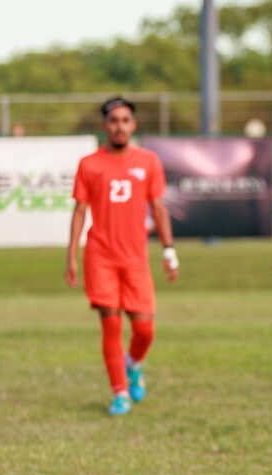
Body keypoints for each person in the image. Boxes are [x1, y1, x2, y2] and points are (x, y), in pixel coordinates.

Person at [66, 97, 178, 415]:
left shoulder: (149, 162)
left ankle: (134, 364)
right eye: (113, 120)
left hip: (135, 258)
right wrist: (72, 256)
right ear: (105, 126)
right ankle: (120, 393)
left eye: (125, 120)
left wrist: (169, 250)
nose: (119, 126)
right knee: (111, 326)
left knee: (144, 330)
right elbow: (79, 211)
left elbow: (158, 208)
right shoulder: (89, 164)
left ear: (134, 125)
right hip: (100, 257)